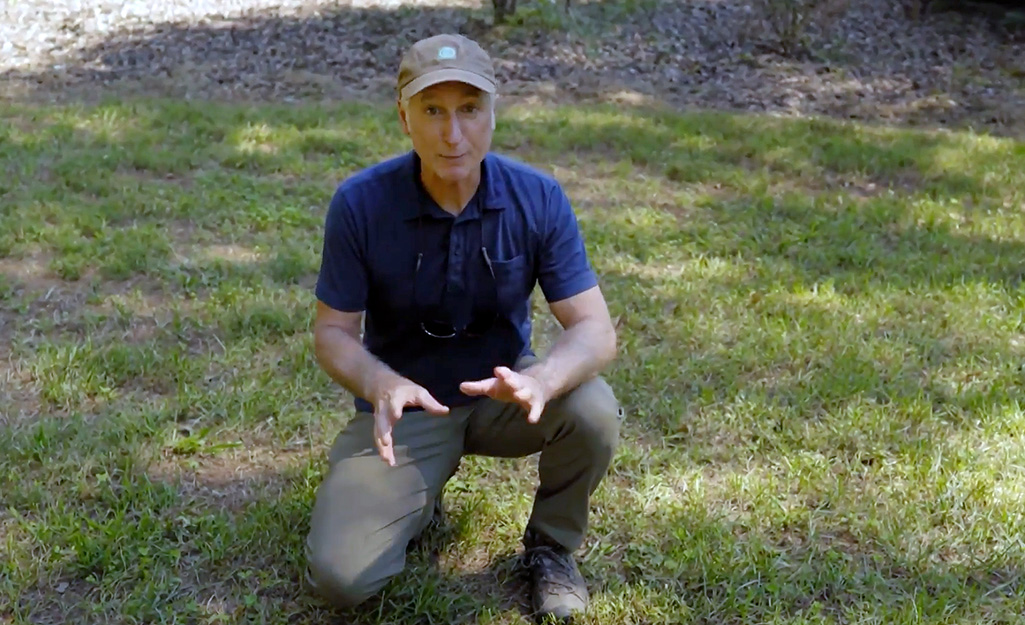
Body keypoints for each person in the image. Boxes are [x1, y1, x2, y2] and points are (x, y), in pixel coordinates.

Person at [305, 32, 623, 623]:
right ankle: (418, 496)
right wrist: (380, 385)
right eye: (434, 111)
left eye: (470, 110)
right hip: (407, 409)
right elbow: (332, 334)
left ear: (493, 114)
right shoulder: (360, 204)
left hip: (505, 394)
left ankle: (551, 550)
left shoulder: (537, 198)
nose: (454, 134)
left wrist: (543, 381)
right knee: (341, 576)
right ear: (405, 118)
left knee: (594, 409)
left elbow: (595, 330)